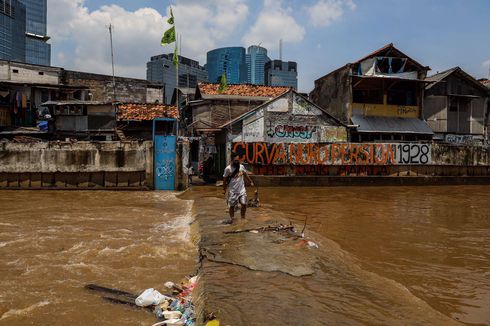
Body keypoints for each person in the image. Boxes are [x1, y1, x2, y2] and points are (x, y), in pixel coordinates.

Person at [223, 154, 254, 222]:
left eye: (238, 160)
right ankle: (232, 218)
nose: (237, 162)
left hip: (241, 190)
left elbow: (245, 174)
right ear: (232, 160)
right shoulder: (228, 169)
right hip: (232, 191)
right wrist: (224, 189)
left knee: (244, 204)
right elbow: (224, 180)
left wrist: (250, 181)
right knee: (232, 206)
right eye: (235, 160)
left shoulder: (241, 167)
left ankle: (243, 218)